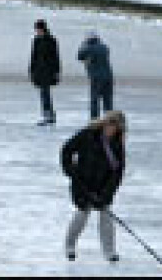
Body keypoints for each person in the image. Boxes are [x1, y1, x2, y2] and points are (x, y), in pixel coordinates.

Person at [61, 110, 126, 262]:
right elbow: (66, 149)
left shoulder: (117, 145)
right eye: (110, 124)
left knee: (106, 213)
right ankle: (70, 246)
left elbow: (117, 173)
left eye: (115, 126)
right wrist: (70, 170)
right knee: (83, 212)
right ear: (104, 123)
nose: (111, 129)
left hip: (102, 186)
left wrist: (106, 193)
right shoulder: (88, 134)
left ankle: (109, 252)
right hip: (82, 183)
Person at [29, 19, 60, 126]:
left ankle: (49, 116)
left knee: (45, 93)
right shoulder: (36, 40)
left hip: (48, 71)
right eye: (36, 29)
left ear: (42, 28)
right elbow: (34, 56)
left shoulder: (51, 40)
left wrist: (56, 71)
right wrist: (31, 70)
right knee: (44, 94)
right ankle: (49, 115)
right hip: (39, 71)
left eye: (37, 29)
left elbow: (56, 56)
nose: (36, 31)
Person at [78, 31, 114, 121]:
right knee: (108, 100)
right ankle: (109, 120)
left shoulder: (88, 47)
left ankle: (94, 120)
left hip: (96, 77)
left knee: (95, 100)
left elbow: (80, 56)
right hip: (108, 76)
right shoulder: (104, 47)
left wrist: (83, 45)